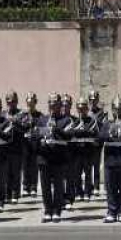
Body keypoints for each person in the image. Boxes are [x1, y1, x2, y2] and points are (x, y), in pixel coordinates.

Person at [35, 93, 72, 223]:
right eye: (50, 102)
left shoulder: (66, 120)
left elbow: (69, 137)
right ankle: (47, 210)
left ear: (59, 105)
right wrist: (40, 140)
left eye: (55, 103)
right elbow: (36, 137)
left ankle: (57, 211)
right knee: (45, 187)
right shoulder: (41, 120)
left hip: (58, 158)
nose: (52, 105)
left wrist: (55, 129)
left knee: (58, 186)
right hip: (44, 157)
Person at [20, 92, 43, 198]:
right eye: (28, 103)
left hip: (35, 143)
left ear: (35, 102)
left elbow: (42, 128)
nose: (30, 105)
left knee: (34, 166)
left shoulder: (39, 115)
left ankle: (33, 187)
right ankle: (25, 187)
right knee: (25, 166)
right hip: (25, 143)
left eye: (32, 102)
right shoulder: (22, 115)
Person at [4, 91, 25, 204]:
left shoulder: (22, 114)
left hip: (17, 147)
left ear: (16, 101)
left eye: (12, 101)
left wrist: (15, 122)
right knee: (6, 173)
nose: (10, 103)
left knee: (16, 172)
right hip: (6, 148)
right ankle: (7, 194)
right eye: (8, 101)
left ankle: (15, 194)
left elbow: (26, 128)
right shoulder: (3, 114)